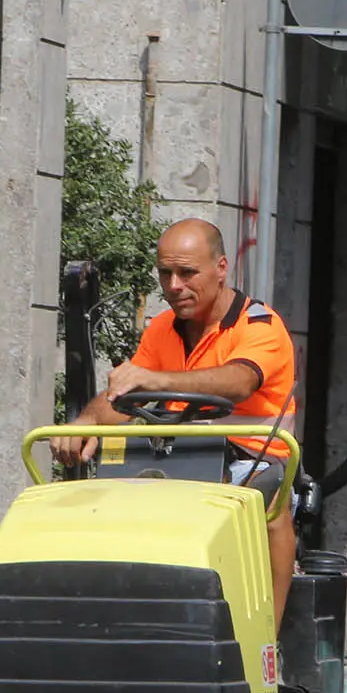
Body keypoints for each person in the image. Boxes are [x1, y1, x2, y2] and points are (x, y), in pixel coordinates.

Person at [53, 219, 299, 615]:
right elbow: (125, 393)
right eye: (165, 274)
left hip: (256, 456)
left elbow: (238, 382)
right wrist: (85, 423)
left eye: (187, 273)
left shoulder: (260, 326)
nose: (174, 285)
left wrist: (152, 379)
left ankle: (264, 633)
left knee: (263, 501)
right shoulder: (164, 327)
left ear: (221, 268)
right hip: (180, 453)